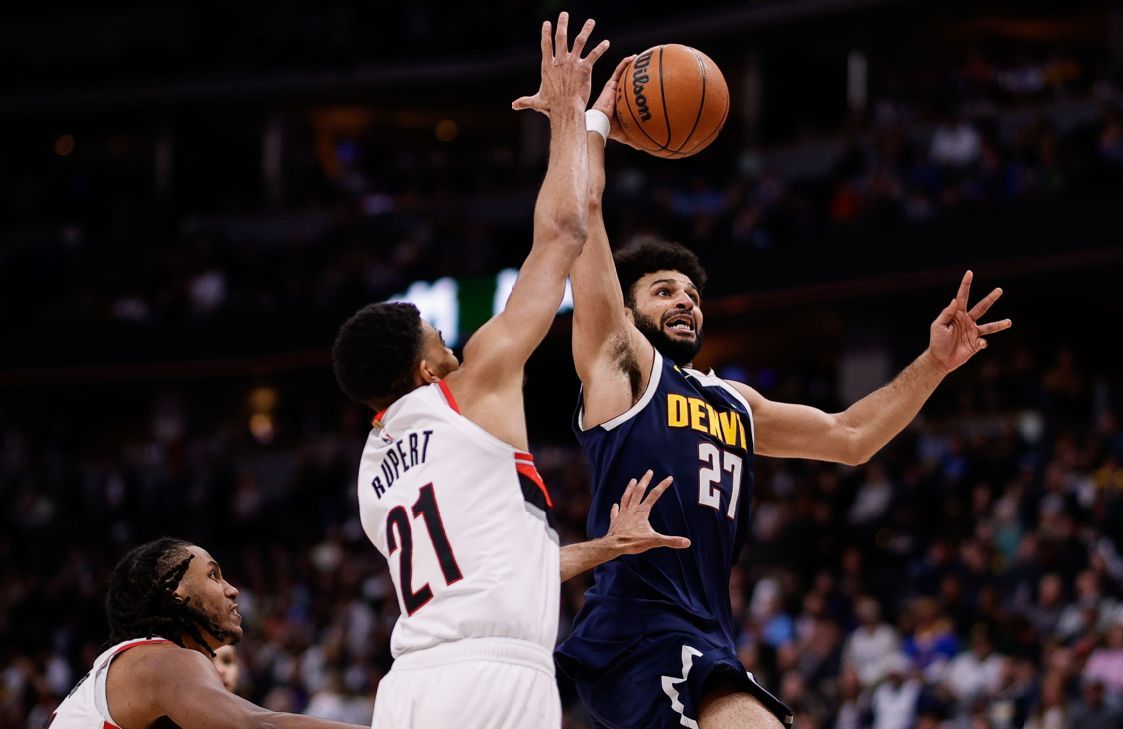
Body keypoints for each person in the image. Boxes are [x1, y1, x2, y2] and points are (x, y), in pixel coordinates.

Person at [554, 58, 1013, 728]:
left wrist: (935, 363)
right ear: (626, 309)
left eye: (692, 294)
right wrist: (592, 121)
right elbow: (584, 214)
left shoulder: (735, 402)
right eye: (664, 291)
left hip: (707, 632)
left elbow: (852, 436)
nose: (685, 301)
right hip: (638, 631)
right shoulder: (620, 367)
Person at [331, 15, 686, 729]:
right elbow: (562, 234)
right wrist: (569, 117)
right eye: (440, 337)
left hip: (407, 690)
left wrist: (606, 547)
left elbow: (491, 574)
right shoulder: (472, 386)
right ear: (425, 366)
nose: (454, 344)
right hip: (494, 680)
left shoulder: (375, 475)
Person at [46, 538, 362, 729]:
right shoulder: (159, 660)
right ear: (175, 593)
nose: (233, 590)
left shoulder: (130, 669)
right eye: (213, 575)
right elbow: (256, 725)